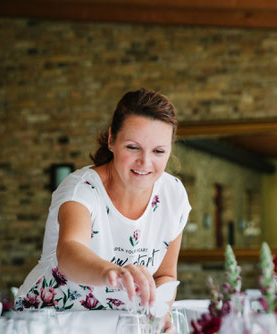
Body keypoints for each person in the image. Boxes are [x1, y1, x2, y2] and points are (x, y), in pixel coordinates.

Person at [15, 89, 191, 313]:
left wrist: (159, 311)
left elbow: (165, 275)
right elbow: (69, 251)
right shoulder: (81, 189)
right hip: (49, 323)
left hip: (120, 327)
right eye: (133, 147)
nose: (145, 162)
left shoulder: (173, 195)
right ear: (111, 140)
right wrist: (113, 273)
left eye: (158, 151)